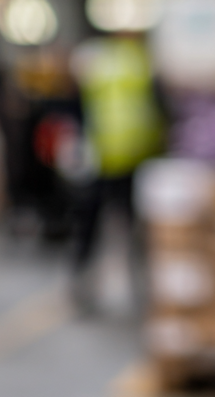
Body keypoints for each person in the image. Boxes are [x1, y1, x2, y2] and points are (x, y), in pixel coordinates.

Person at [68, 32, 163, 312]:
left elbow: (78, 108)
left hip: (103, 156)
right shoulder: (140, 61)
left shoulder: (93, 62)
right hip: (135, 155)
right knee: (135, 226)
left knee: (91, 224)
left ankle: (83, 283)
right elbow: (159, 107)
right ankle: (143, 287)